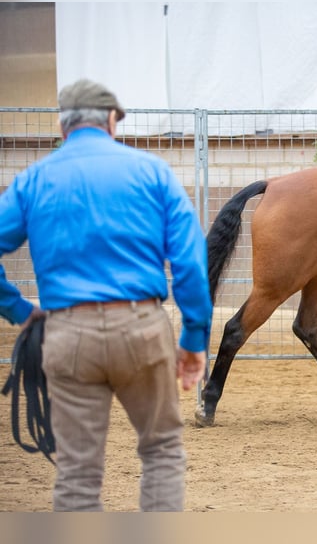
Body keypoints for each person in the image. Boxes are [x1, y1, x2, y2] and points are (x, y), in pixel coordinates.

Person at [0, 79, 212, 511]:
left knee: (77, 473)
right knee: (161, 451)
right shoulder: (152, 172)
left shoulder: (33, 180)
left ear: (63, 128)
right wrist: (193, 338)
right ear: (112, 120)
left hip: (67, 333)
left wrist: (18, 308)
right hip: (141, 327)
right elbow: (189, 263)